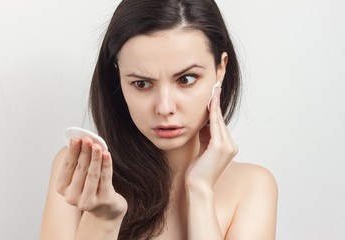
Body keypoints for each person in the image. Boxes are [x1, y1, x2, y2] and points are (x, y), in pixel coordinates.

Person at [41, 0, 278, 239]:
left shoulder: (252, 187)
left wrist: (200, 191)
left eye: (186, 79)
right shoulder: (79, 169)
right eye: (142, 84)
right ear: (118, 78)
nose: (164, 108)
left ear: (220, 69)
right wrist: (103, 218)